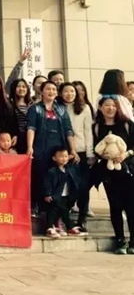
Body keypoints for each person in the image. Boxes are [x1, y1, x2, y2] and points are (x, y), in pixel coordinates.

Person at [26, 81, 77, 217]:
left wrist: (73, 149)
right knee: (39, 176)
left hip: (58, 148)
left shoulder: (61, 109)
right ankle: (37, 207)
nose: (51, 92)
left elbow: (68, 130)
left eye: (54, 89)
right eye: (48, 89)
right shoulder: (35, 109)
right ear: (41, 91)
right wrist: (30, 147)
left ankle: (55, 211)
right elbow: (31, 128)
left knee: (57, 179)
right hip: (41, 147)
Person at [92, 96, 134, 254]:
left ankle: (133, 241)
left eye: (113, 105)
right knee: (115, 207)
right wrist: (105, 155)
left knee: (131, 206)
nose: (110, 108)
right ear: (100, 108)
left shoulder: (127, 124)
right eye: (107, 105)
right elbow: (95, 148)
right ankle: (120, 240)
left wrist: (125, 155)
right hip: (108, 172)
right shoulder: (97, 127)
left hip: (128, 170)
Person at [58, 83, 96, 228]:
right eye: (66, 91)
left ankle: (82, 219)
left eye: (72, 91)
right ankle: (64, 218)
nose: (69, 94)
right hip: (63, 152)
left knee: (83, 186)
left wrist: (90, 153)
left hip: (81, 152)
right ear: (61, 93)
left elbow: (88, 132)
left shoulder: (84, 108)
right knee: (66, 186)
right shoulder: (57, 108)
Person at [43, 146, 85, 239]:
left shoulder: (70, 169)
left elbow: (74, 182)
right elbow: (47, 183)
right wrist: (47, 194)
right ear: (54, 158)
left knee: (63, 212)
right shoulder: (52, 171)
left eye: (66, 156)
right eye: (61, 156)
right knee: (52, 211)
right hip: (55, 196)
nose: (64, 158)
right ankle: (50, 228)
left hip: (65, 195)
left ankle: (65, 227)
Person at [9, 79, 32, 154]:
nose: (21, 89)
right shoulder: (9, 104)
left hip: (29, 137)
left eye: (24, 87)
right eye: (18, 86)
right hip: (15, 138)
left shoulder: (32, 104)